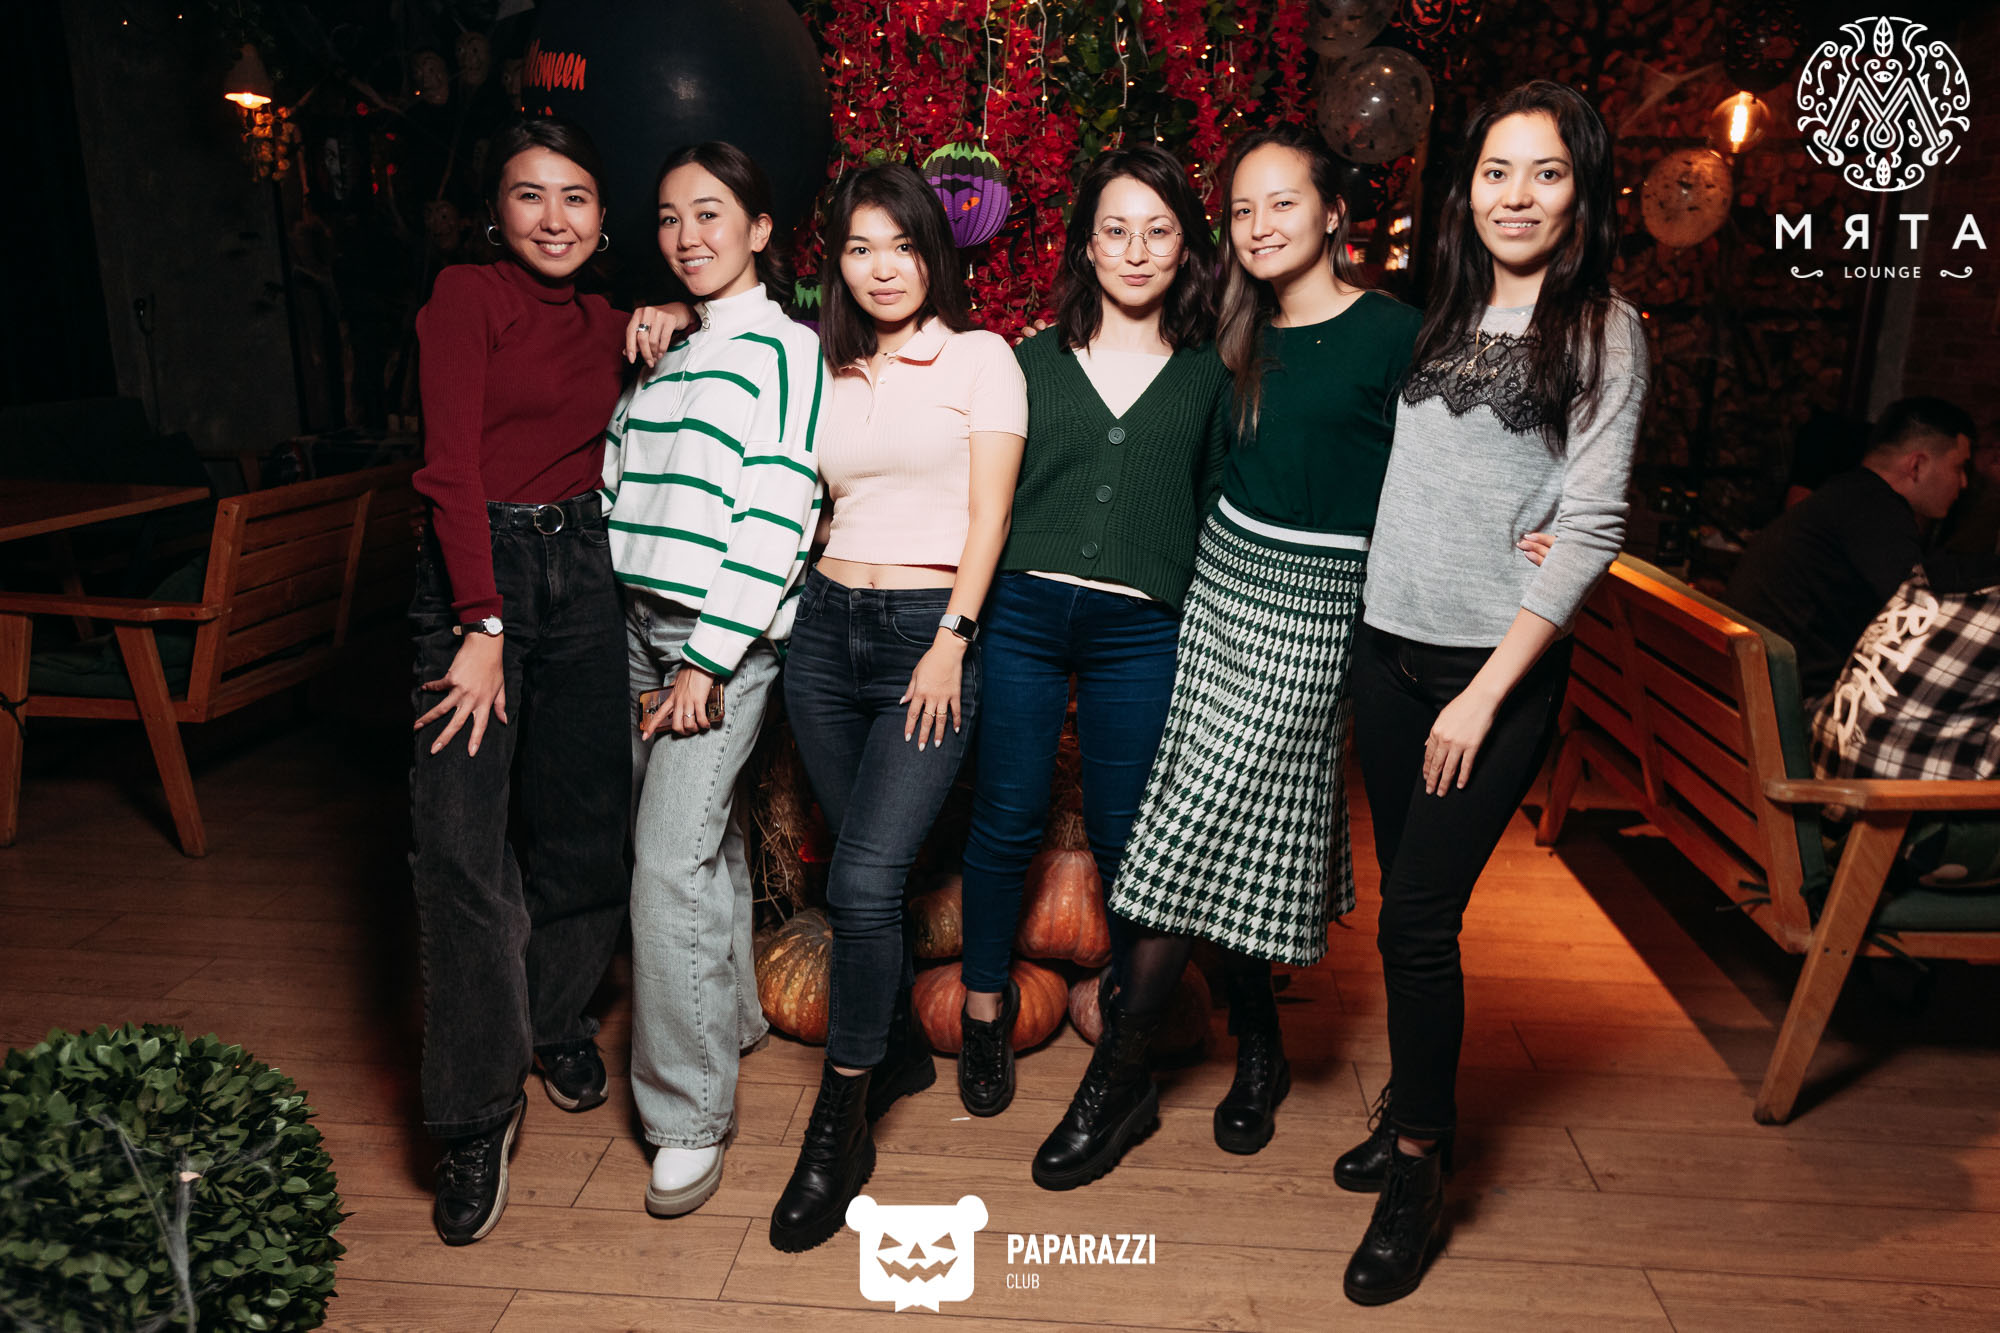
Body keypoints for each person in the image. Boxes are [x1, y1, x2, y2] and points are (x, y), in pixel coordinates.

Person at [1029, 124, 1423, 1193]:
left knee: (1190, 825)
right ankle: (1259, 1043)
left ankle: (1117, 1078)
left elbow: (1454, 458)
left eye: (1281, 203)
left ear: (1333, 212)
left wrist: (1529, 523)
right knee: (1229, 831)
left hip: (1318, 605)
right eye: (1241, 210)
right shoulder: (1230, 332)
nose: (1259, 226)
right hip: (1218, 588)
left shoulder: (1394, 333)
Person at [1344, 81, 1649, 1305]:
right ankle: (1412, 1110)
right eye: (1495, 172)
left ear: (1580, 193)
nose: (1514, 196)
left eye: (1544, 173)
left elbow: (1595, 520)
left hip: (1488, 674)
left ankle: (1419, 1165)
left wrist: (1480, 695)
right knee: (1398, 909)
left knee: (1418, 922)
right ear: (1464, 189)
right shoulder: (1443, 309)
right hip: (1385, 651)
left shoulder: (1602, 330)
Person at [769, 163, 1027, 1253]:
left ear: (935, 253)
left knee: (866, 882)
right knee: (858, 875)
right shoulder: (822, 366)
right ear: (836, 261)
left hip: (929, 634)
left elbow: (990, 517)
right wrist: (665, 315)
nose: (882, 268)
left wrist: (951, 642)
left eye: (903, 245)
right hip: (824, 634)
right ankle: (904, 1050)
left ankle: (840, 1121)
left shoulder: (981, 358)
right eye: (860, 247)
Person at [955, 145, 1230, 1120]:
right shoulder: (1027, 361)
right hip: (1024, 614)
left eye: (1158, 230)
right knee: (1006, 816)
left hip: (1141, 632)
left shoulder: (1207, 376)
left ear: (1186, 248)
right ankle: (983, 1008)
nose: (1136, 250)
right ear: (1085, 244)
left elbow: (1218, 510)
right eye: (1115, 229)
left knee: (1125, 833)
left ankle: (1125, 1033)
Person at [408, 118, 632, 1246]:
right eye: (529, 195)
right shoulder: (465, 297)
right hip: (475, 573)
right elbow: (448, 467)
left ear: (603, 218)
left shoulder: (613, 321)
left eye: (575, 196)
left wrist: (675, 318)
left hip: (584, 565)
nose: (553, 217)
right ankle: (475, 1110)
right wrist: (480, 618)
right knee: (459, 844)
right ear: (497, 214)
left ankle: (555, 1019)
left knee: (586, 823)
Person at [605, 142, 826, 1222]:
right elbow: (621, 472)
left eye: (709, 212)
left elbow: (779, 507)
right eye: (668, 216)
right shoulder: (672, 345)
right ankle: (732, 1015)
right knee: (709, 842)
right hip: (636, 624)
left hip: (711, 638)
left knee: (664, 863)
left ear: (759, 228)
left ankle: (687, 1118)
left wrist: (709, 655)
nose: (687, 235)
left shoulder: (786, 348)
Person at [1727, 397, 1982, 706]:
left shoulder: (1845, 496)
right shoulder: (1876, 511)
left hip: (1746, 695)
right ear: (1917, 465)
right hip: (1789, 709)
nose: (1963, 483)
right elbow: (1928, 622)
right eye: (1959, 467)